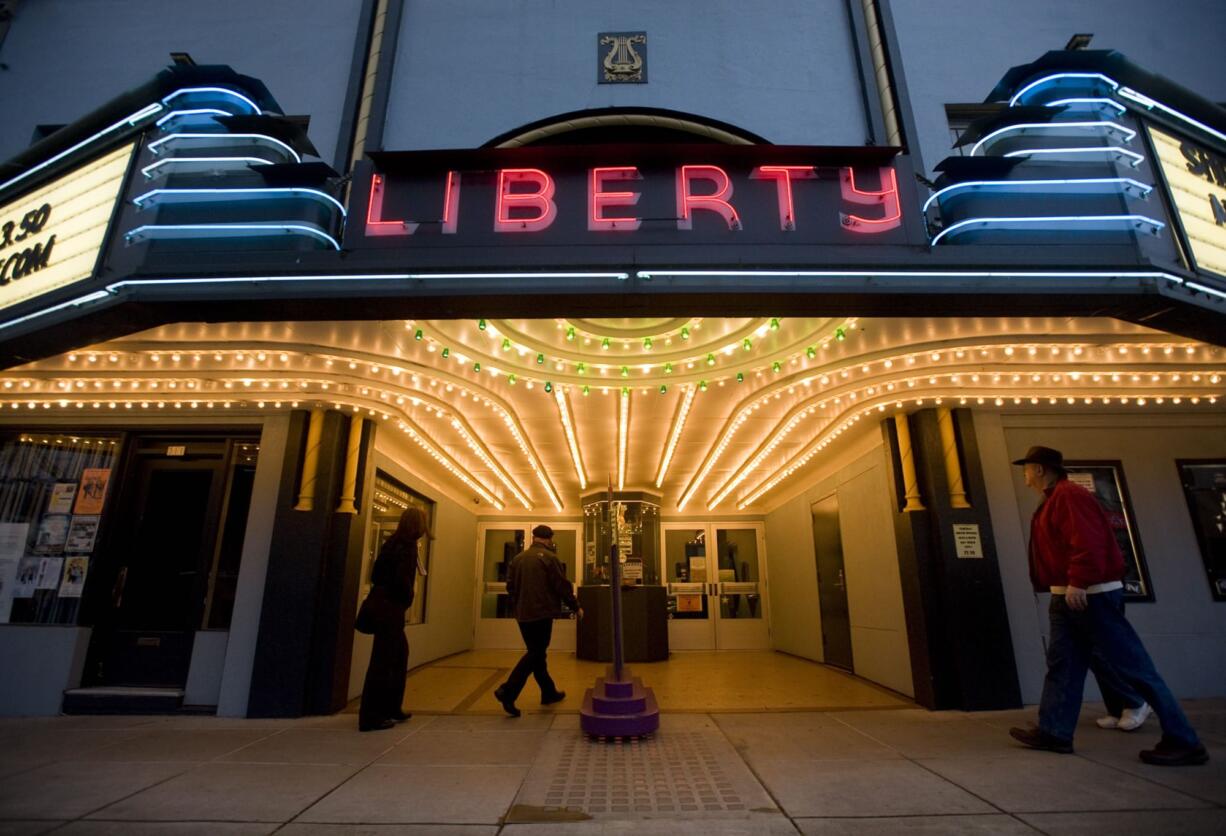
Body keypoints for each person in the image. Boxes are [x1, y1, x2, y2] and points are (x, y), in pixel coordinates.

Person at [1008, 446, 1208, 766]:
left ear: (1041, 469)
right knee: (1063, 665)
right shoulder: (1055, 498)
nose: (1024, 473)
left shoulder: (1069, 496)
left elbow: (1087, 541)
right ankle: (1055, 730)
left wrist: (1079, 581)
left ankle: (1184, 739)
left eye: (1027, 467)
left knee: (1132, 664)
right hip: (1069, 594)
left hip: (1090, 595)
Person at [494, 524, 583, 717]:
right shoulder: (550, 558)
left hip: (523, 615)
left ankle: (548, 692)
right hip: (542, 614)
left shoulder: (517, 559)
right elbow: (561, 586)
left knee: (537, 654)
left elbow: (510, 587)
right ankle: (507, 691)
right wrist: (575, 606)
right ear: (548, 539)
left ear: (534, 538)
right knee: (535, 653)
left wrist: (519, 604)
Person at [358, 506, 428, 732]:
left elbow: (376, 573)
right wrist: (406, 597)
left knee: (397, 656)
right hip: (391, 609)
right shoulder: (406, 547)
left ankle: (390, 708)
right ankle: (371, 716)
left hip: (384, 606)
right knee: (383, 661)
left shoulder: (392, 543)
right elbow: (401, 580)